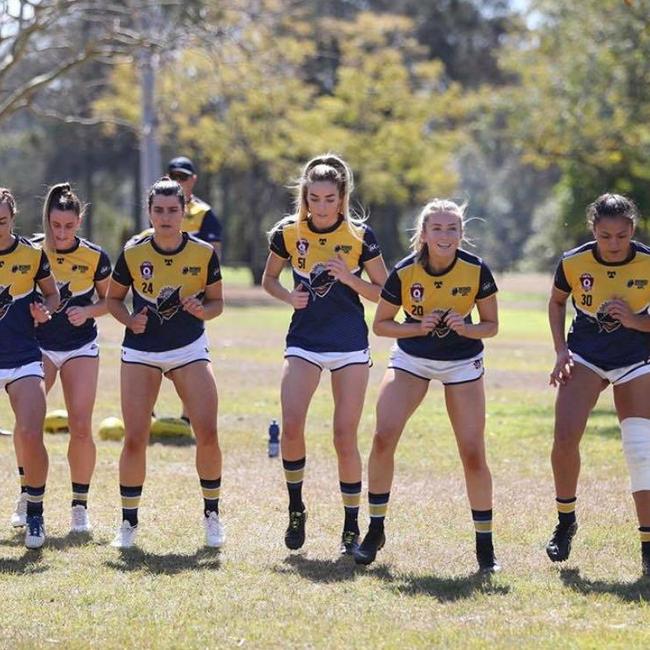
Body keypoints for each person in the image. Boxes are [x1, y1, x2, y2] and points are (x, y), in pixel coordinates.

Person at [353, 199, 500, 573]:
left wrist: (466, 327)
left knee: (472, 452)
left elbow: (491, 325)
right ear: (423, 234)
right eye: (437, 228)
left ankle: (485, 547)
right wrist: (416, 327)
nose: (445, 235)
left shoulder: (476, 270)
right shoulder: (404, 272)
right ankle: (375, 530)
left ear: (462, 234)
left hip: (462, 362)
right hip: (412, 359)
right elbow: (382, 325)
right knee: (383, 436)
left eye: (452, 229)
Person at [262, 154, 388, 554]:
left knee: (343, 436)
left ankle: (351, 523)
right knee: (292, 424)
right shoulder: (288, 232)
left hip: (349, 343)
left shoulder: (359, 235)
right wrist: (288, 295)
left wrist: (350, 278)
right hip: (304, 341)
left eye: (328, 199)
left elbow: (386, 291)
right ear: (305, 197)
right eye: (314, 198)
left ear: (341, 198)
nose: (320, 206)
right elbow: (269, 278)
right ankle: (297, 508)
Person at [107, 177, 225, 549]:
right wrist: (129, 320)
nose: (166, 217)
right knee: (135, 437)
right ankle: (128, 523)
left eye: (173, 210)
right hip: (142, 351)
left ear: (184, 211)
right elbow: (113, 300)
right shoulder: (133, 251)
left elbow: (217, 304)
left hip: (189, 348)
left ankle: (212, 515)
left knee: (206, 431)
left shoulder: (204, 252)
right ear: (149, 213)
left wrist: (201, 309)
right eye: (158, 210)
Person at [546, 193, 650, 577]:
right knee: (564, 438)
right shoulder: (573, 263)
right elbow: (557, 303)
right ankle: (565, 520)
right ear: (594, 231)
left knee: (641, 449)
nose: (613, 244)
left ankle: (648, 545)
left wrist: (636, 321)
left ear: (632, 231)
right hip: (586, 356)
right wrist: (561, 352)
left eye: (621, 236)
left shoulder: (648, 262)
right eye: (605, 236)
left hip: (637, 360)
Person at [10, 183, 111, 535]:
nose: (62, 232)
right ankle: (27, 494)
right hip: (36, 348)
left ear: (79, 221)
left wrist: (88, 311)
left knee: (81, 426)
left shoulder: (95, 256)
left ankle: (79, 506)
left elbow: (111, 302)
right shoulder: (32, 252)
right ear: (47, 221)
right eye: (56, 225)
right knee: (27, 428)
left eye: (69, 226)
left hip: (80, 346)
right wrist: (36, 313)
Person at [129, 156, 222, 426]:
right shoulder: (159, 208)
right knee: (150, 347)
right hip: (157, 289)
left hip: (192, 293)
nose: (179, 180)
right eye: (174, 176)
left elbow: (213, 255)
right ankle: (147, 410)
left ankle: (187, 414)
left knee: (190, 351)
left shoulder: (205, 214)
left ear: (193, 179)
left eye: (183, 177)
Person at [0, 187, 59, 548]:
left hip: (22, 356)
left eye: (1, 222)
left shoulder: (32, 255)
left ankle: (34, 511)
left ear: (12, 218)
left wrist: (44, 309)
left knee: (31, 433)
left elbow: (52, 294)